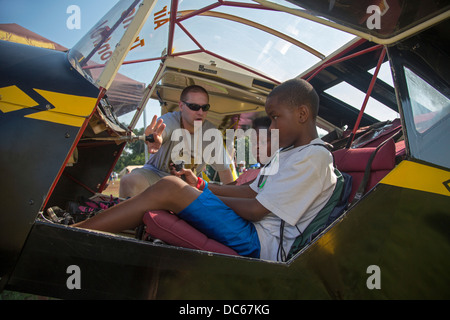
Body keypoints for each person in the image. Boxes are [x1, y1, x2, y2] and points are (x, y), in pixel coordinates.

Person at [73, 78, 337, 261]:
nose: (271, 128)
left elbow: (257, 209)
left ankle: (76, 233)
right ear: (182, 106)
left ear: (302, 114)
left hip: (261, 243)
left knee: (170, 188)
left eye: (275, 117)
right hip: (252, 229)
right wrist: (200, 187)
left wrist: (193, 193)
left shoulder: (315, 157)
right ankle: (91, 228)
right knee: (168, 187)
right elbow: (248, 191)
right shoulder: (292, 153)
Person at [119, 85, 234, 198]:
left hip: (190, 183)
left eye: (205, 107)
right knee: (129, 181)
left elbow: (225, 172)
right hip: (157, 175)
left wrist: (232, 203)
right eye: (194, 106)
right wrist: (155, 140)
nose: (200, 112)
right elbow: (161, 132)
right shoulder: (168, 120)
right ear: (181, 106)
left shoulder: (211, 134)